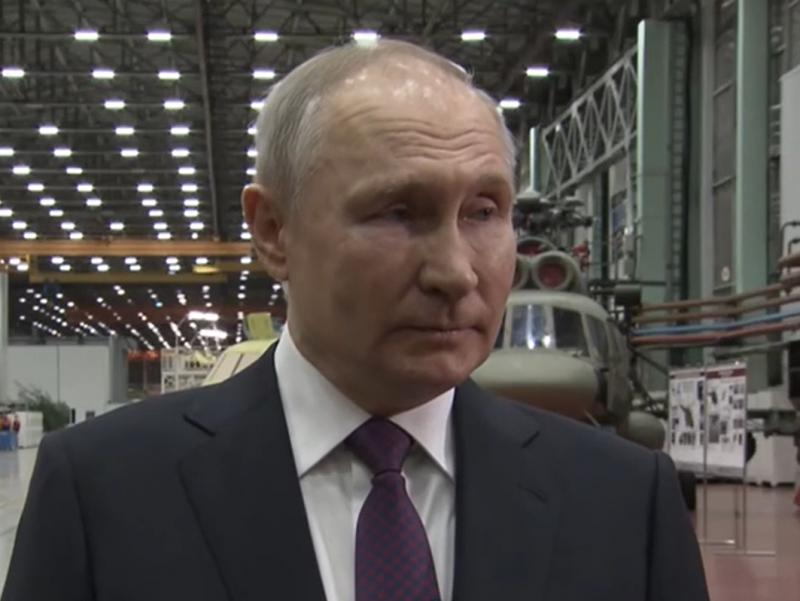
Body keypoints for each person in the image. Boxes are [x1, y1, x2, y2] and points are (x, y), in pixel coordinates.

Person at [2, 40, 709, 601]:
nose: (456, 271)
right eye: (398, 212)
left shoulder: (624, 502)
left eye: (484, 211)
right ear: (273, 230)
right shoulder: (101, 491)